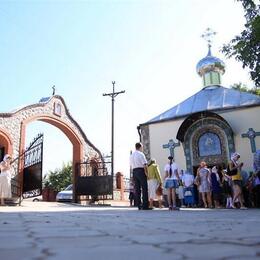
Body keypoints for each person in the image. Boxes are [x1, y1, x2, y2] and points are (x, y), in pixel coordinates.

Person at [130, 143, 149, 210]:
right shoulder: (141, 154)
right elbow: (145, 164)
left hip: (134, 171)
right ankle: (145, 205)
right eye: (142, 147)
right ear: (140, 147)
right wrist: (147, 173)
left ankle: (139, 205)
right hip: (141, 171)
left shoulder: (131, 155)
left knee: (137, 189)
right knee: (144, 188)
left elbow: (131, 165)